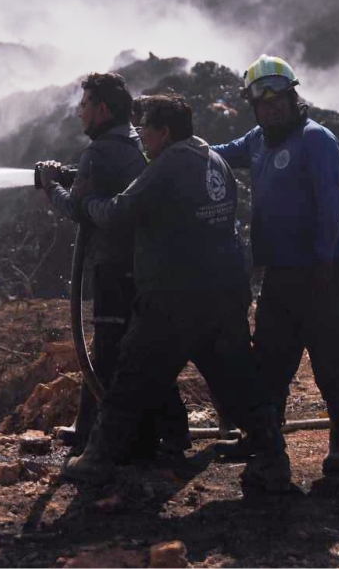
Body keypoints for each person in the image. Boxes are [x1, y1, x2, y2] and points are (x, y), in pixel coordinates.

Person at [62, 95, 291, 493]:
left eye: (145, 131)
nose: (141, 138)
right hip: (224, 294)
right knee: (237, 380)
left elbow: (118, 213)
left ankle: (96, 459)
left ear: (164, 132)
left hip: (174, 299)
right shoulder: (211, 159)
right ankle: (273, 458)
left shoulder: (168, 164)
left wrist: (88, 201)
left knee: (130, 378)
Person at [211, 54, 339, 478]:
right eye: (262, 102)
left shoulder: (316, 140)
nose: (270, 107)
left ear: (293, 97)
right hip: (279, 273)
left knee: (332, 360)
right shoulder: (257, 141)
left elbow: (331, 209)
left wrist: (322, 266)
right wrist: (180, 150)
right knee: (270, 361)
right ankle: (266, 443)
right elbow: (219, 153)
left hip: (323, 269)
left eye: (277, 99)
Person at [36, 73, 190, 459]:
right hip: (143, 264)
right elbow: (111, 181)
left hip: (113, 268)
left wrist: (50, 185)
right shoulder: (136, 142)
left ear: (102, 109)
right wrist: (73, 175)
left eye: (84, 105)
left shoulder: (99, 152)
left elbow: (76, 207)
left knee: (109, 351)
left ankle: (113, 440)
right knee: (138, 345)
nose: (79, 112)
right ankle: (127, 430)